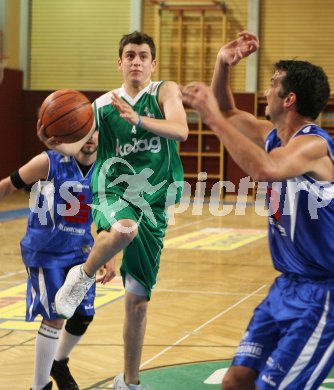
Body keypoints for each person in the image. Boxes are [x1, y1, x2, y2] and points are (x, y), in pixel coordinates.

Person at [181, 31, 334, 390]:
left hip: (330, 289)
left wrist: (212, 119)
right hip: (289, 284)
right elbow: (228, 112)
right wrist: (222, 64)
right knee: (235, 381)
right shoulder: (272, 135)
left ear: (290, 99)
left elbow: (265, 168)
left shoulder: (313, 146)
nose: (265, 92)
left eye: (272, 85)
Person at [42, 31, 188, 390]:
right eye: (129, 55)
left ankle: (130, 382)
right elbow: (81, 149)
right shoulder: (102, 106)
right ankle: (81, 276)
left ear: (153, 64)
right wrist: (55, 140)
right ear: (119, 62)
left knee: (137, 302)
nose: (136, 61)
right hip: (112, 190)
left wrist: (137, 119)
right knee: (123, 228)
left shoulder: (164, 92)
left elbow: (180, 130)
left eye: (142, 56)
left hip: (153, 204)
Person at [0, 131, 116, 390]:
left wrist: (110, 253)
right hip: (46, 252)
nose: (89, 137)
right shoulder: (48, 162)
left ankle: (58, 362)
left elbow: (107, 214)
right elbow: (8, 185)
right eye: (82, 131)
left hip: (81, 251)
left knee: (83, 315)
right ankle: (39, 386)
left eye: (94, 131)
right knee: (55, 317)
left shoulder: (104, 170)